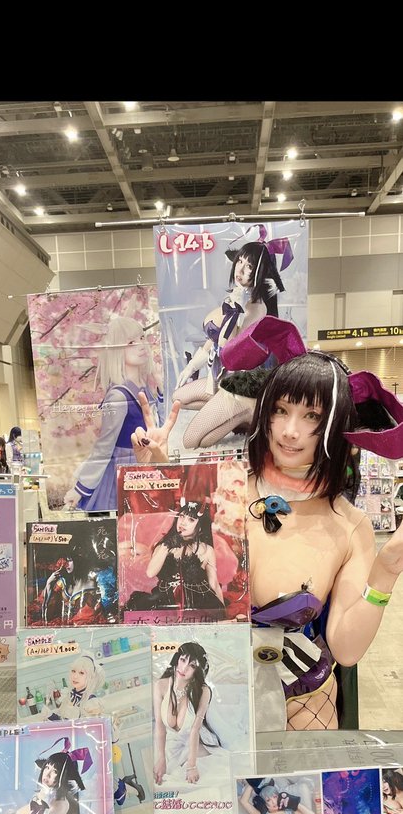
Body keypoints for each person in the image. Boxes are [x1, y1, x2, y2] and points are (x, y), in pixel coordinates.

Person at [130, 320, 403, 732]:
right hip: (209, 689)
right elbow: (153, 568)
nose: (290, 431)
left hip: (303, 704)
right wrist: (159, 474)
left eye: (312, 416)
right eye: (281, 410)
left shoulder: (350, 525)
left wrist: (386, 571)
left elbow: (347, 649)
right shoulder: (221, 487)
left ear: (336, 425)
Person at [172, 234, 289, 451]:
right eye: (240, 261)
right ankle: (236, 417)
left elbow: (231, 353)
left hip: (243, 389)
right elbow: (214, 341)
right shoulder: (237, 299)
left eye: (249, 266)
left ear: (260, 272)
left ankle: (248, 414)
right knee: (179, 397)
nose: (240, 269)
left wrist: (236, 313)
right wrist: (192, 367)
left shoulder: (258, 309)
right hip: (226, 380)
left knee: (191, 440)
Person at [62, 316, 163, 512]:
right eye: (131, 342)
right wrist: (80, 489)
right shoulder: (118, 395)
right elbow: (104, 446)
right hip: (125, 470)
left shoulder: (144, 387)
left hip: (145, 466)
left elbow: (159, 426)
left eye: (142, 338)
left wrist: (160, 388)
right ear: (117, 349)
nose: (141, 345)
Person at [125, 494, 226, 615]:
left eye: (191, 520)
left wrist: (223, 613)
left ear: (200, 527)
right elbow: (150, 573)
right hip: (167, 601)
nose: (183, 522)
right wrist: (167, 545)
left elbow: (214, 583)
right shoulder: (163, 545)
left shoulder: (206, 550)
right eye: (181, 516)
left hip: (199, 602)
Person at [153, 641, 226, 786]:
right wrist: (161, 758)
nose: (184, 668)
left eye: (192, 665)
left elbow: (195, 730)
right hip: (168, 746)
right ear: (177, 659)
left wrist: (191, 766)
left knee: (211, 775)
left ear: (197, 670)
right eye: (182, 660)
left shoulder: (203, 691)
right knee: (160, 777)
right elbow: (160, 727)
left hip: (194, 743)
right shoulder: (161, 686)